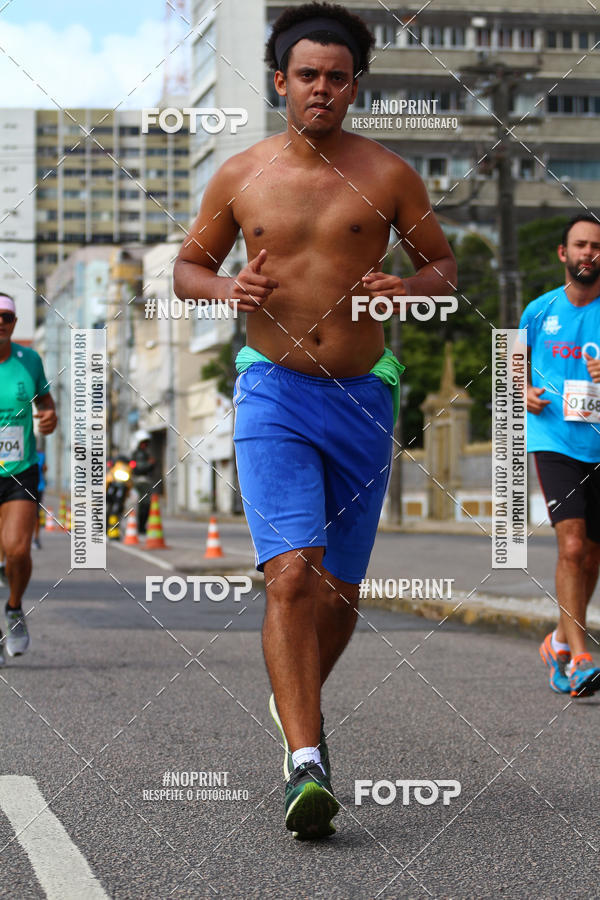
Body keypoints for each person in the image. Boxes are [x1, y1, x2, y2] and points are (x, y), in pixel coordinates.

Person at [174, 1, 456, 838]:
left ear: (356, 86)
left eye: (337, 77)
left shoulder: (391, 175)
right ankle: (307, 759)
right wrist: (230, 289)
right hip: (273, 390)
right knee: (290, 575)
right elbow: (190, 267)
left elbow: (441, 262)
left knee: (337, 595)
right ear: (280, 82)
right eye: (307, 76)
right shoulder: (238, 176)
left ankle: (292, 700)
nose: (322, 90)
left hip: (366, 393)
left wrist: (409, 288)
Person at [520, 215, 600, 697]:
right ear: (563, 254)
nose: (588, 253)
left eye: (596, 246)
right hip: (554, 439)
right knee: (571, 545)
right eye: (580, 245)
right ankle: (580, 654)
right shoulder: (540, 309)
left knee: (591, 554)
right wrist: (523, 389)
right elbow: (511, 362)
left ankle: (557, 641)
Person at [0, 294, 57, 664]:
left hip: (19, 469)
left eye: (6, 316)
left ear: (15, 322)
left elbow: (46, 405)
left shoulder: (29, 361)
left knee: (17, 549)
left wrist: (50, 419)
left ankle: (15, 609)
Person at [130, 430, 155, 535]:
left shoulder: (146, 454)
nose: (145, 445)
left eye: (146, 443)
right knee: (142, 504)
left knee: (146, 504)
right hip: (138, 481)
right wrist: (149, 464)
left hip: (146, 481)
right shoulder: (136, 454)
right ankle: (139, 526)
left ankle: (141, 526)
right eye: (143, 443)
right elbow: (137, 468)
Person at [32, 447, 46, 550]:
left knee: (36, 513)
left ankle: (36, 538)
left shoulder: (41, 455)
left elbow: (45, 468)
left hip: (39, 487)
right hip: (26, 487)